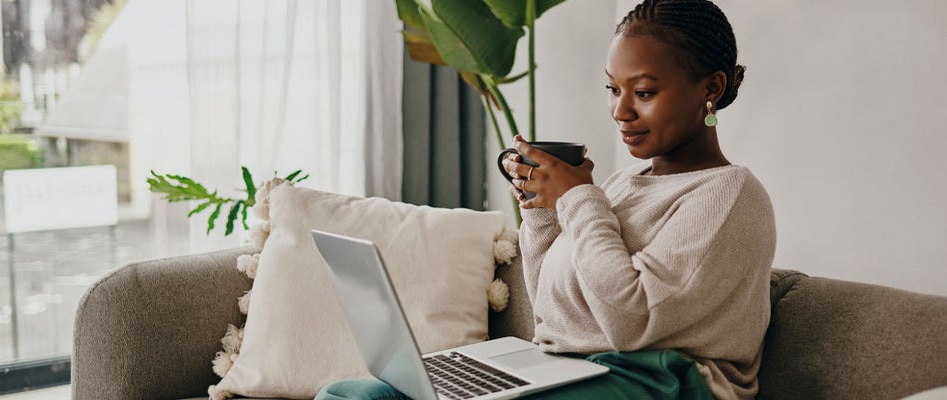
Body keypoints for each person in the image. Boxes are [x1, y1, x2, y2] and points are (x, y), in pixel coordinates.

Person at [317, 0, 774, 399]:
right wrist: (542, 213)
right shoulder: (619, 185)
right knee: (353, 394)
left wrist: (577, 198)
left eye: (644, 92)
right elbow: (552, 314)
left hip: (662, 383)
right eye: (613, 89)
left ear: (710, 89)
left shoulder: (728, 195)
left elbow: (632, 322)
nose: (620, 110)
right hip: (570, 368)